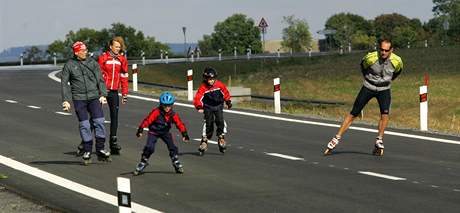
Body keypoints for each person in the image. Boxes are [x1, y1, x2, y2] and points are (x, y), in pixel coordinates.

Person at [324, 38, 403, 156]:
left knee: (385, 114)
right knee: (354, 113)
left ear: (391, 50)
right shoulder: (371, 58)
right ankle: (336, 138)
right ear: (378, 48)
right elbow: (363, 66)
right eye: (381, 50)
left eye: (386, 50)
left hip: (384, 89)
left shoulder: (397, 61)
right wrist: (369, 78)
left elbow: (397, 71)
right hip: (368, 87)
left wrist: (387, 81)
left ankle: (379, 139)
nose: (384, 53)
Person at [61, 41, 111, 165]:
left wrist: (103, 95)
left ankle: (100, 149)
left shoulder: (92, 63)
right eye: (83, 51)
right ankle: (87, 150)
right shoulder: (69, 65)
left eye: (86, 50)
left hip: (94, 97)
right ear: (76, 52)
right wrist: (66, 100)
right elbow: (64, 84)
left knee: (99, 122)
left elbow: (100, 79)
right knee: (85, 125)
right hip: (79, 99)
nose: (85, 52)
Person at [134, 92, 190, 175]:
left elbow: (179, 124)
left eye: (169, 105)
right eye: (165, 105)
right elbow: (147, 120)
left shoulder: (173, 114)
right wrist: (141, 129)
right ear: (161, 104)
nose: (167, 108)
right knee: (150, 147)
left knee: (172, 147)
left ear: (172, 105)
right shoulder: (156, 112)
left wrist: (184, 133)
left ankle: (175, 161)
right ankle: (143, 161)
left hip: (165, 132)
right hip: (154, 132)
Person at [98, 36, 129, 155]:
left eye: (119, 47)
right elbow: (98, 75)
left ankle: (113, 142)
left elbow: (124, 77)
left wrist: (125, 93)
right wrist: (100, 92)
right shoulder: (103, 58)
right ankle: (86, 141)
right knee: (96, 115)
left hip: (114, 92)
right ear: (110, 46)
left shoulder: (122, 59)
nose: (117, 48)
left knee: (114, 116)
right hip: (102, 91)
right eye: (116, 46)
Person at [193, 67, 232, 156]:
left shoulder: (219, 85)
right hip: (208, 107)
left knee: (220, 121)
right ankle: (204, 140)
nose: (210, 81)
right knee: (208, 123)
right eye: (209, 79)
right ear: (205, 79)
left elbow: (225, 93)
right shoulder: (203, 87)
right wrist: (198, 106)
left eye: (212, 79)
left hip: (218, 106)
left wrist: (228, 101)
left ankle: (221, 137)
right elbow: (198, 98)